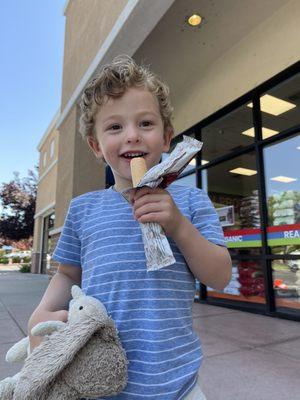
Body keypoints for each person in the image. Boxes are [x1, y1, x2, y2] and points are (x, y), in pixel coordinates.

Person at [28, 55, 232, 399]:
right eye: (115, 127)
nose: (132, 136)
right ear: (96, 146)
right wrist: (44, 310)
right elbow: (68, 273)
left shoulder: (192, 203)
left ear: (167, 138)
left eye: (146, 124)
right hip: (99, 381)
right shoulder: (83, 209)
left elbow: (220, 276)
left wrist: (179, 226)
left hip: (178, 382)